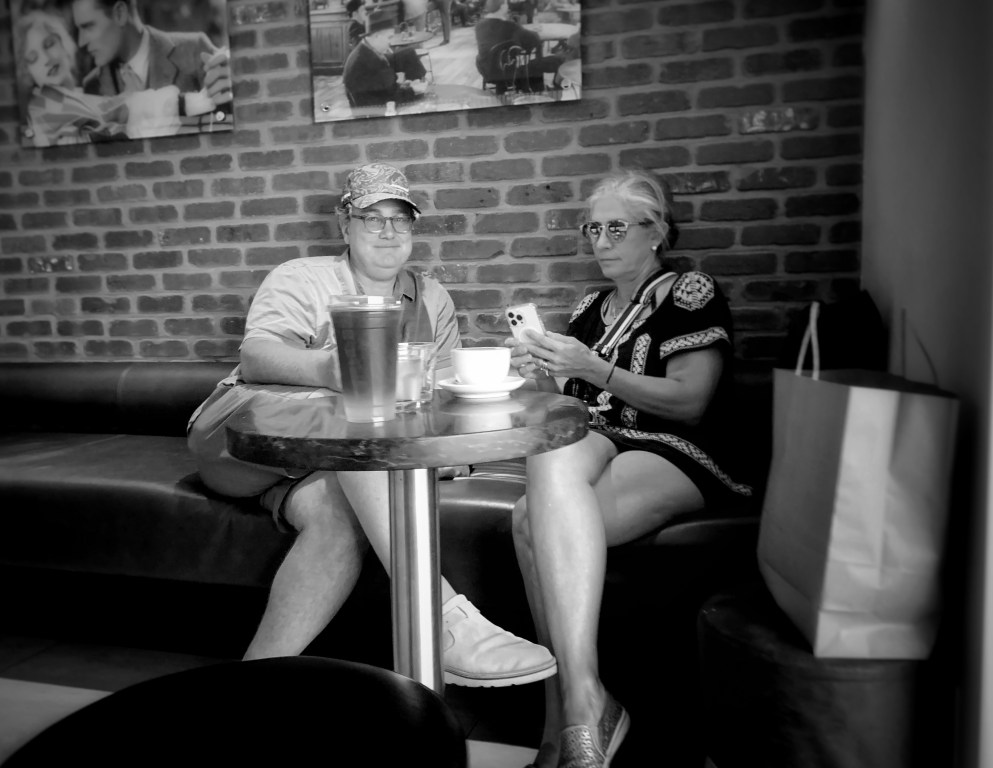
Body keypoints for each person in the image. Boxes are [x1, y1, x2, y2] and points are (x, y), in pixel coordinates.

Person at [187, 163, 556, 688]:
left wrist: (497, 375)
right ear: (345, 224)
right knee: (361, 415)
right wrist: (335, 371)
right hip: (243, 436)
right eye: (372, 218)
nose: (388, 232)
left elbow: (436, 391)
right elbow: (256, 356)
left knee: (343, 514)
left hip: (330, 461)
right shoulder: (303, 277)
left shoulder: (431, 298)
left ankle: (250, 687)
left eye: (400, 220)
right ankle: (448, 620)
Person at [507, 170, 754, 768]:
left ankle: (565, 719)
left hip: (677, 448)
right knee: (549, 451)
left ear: (657, 231)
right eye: (593, 228)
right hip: (601, 437)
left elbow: (691, 401)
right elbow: (572, 402)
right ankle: (583, 703)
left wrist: (592, 367)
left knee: (528, 522)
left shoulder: (687, 292)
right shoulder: (591, 307)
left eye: (616, 227)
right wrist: (542, 371)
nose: (601, 240)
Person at [13, 6, 180, 146]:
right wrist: (131, 96)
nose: (46, 59)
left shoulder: (90, 88)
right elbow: (102, 112)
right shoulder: (42, 106)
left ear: (64, 43)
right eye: (33, 59)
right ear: (27, 71)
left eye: (49, 44)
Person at [63, 0, 231, 127]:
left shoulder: (195, 50)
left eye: (88, 26)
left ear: (120, 13)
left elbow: (226, 122)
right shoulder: (92, 86)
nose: (81, 42)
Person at [474, 0, 563, 96]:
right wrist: (526, 31)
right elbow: (533, 41)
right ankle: (541, 91)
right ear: (503, 7)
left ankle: (509, 89)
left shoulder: (479, 26)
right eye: (506, 3)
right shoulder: (510, 26)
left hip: (487, 71)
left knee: (518, 62)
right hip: (509, 73)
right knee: (556, 60)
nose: (508, 6)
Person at [342, 11, 427, 109]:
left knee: (408, 52)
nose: (390, 42)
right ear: (376, 36)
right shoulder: (369, 61)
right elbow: (392, 95)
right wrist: (413, 90)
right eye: (389, 37)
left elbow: (384, 88)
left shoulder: (365, 48)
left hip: (370, 101)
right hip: (373, 111)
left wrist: (404, 86)